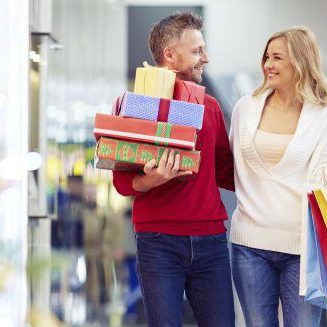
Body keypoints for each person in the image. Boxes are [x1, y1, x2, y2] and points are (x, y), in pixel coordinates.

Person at [229, 26, 327, 326]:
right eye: (267, 57)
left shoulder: (322, 117)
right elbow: (231, 166)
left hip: (301, 249)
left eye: (277, 57)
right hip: (249, 245)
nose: (268, 64)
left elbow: (324, 179)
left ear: (300, 62)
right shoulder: (245, 108)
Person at [112, 11, 235, 327]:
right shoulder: (137, 104)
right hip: (158, 240)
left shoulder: (209, 107)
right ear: (169, 55)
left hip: (210, 239)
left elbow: (225, 170)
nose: (205, 58)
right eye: (197, 51)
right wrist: (150, 180)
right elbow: (122, 182)